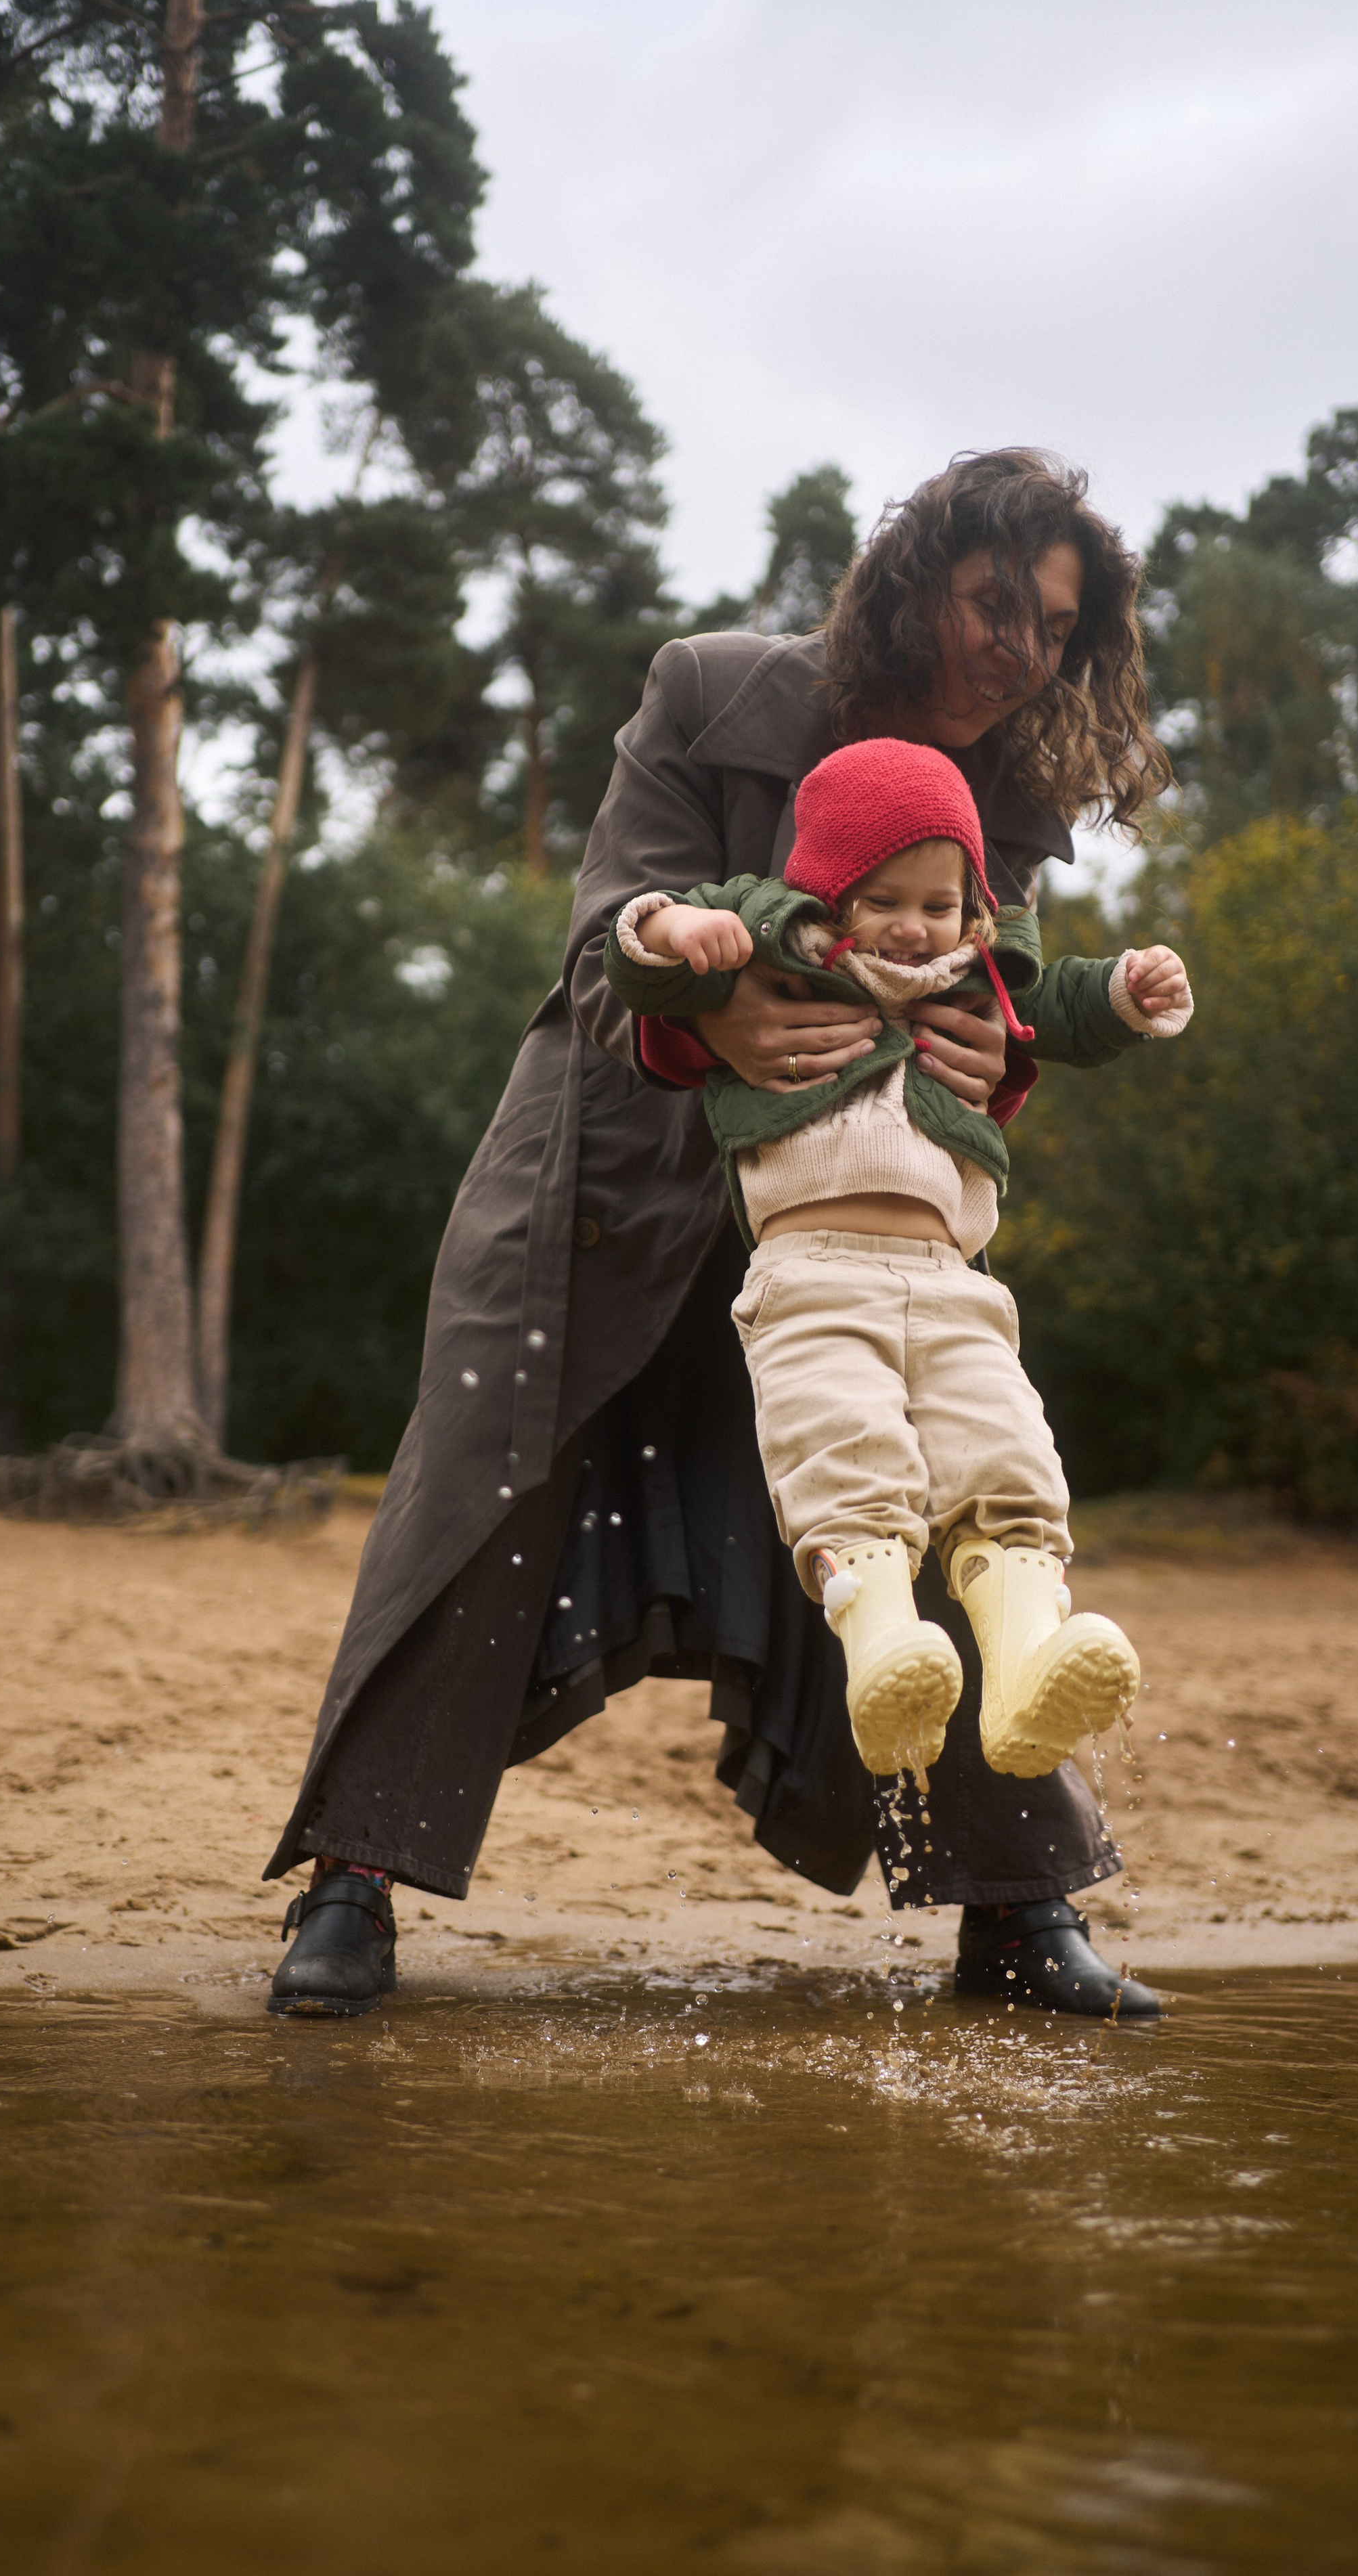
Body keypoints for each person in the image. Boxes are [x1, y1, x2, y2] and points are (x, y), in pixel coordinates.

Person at [265, 446, 1175, 2022]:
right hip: (599, 1177)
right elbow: (602, 939)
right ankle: (352, 1887)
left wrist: (995, 1056)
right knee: (475, 1480)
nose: (1016, 648)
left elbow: (990, 1008)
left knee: (937, 1479)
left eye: (1047, 624)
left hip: (846, 1220)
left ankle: (1018, 1916)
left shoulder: (1006, 803)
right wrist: (719, 993)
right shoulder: (706, 690)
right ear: (912, 584)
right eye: (988, 603)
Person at [605, 733, 1191, 1791]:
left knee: (1008, 1463)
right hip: (814, 1277)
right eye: (887, 901)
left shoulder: (984, 981)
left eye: (940, 903)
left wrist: (1127, 993)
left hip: (955, 1285)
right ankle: (883, 1655)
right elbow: (639, 968)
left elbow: (1061, 1010)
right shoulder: (770, 953)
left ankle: (1020, 1678)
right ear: (830, 895)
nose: (918, 929)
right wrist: (672, 924)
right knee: (846, 1459)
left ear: (972, 906)